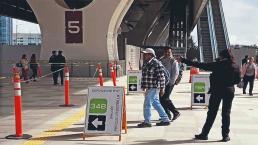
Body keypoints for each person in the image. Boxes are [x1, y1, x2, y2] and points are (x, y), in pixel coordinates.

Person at [178, 49, 240, 142]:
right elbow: (237, 80)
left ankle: (204, 134)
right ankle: (225, 135)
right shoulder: (235, 66)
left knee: (211, 113)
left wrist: (184, 60)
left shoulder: (218, 64)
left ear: (222, 56)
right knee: (226, 113)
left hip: (217, 90)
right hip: (229, 91)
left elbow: (201, 65)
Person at [137, 48, 170, 128]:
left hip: (154, 87)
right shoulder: (146, 63)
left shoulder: (156, 63)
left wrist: (162, 88)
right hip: (149, 87)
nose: (144, 55)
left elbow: (161, 77)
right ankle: (165, 119)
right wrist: (144, 86)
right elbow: (145, 76)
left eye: (146, 54)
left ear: (151, 55)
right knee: (156, 103)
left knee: (147, 104)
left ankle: (147, 121)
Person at [159, 48, 180, 121]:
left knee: (165, 98)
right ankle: (167, 115)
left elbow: (175, 73)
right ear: (164, 52)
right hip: (162, 83)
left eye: (169, 52)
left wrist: (171, 82)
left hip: (169, 83)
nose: (167, 53)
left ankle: (175, 112)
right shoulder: (161, 60)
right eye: (166, 52)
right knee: (161, 99)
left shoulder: (173, 61)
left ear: (171, 52)